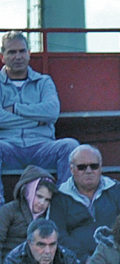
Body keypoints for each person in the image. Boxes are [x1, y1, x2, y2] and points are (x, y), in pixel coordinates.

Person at [0, 31, 79, 183]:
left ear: (29, 54)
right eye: (12, 52)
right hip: (8, 148)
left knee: (70, 146)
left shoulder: (44, 82)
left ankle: (66, 203)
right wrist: (38, 120)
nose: (18, 56)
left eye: (22, 51)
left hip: (42, 148)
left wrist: (16, 108)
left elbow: (51, 113)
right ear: (2, 57)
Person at [50, 146, 120, 253]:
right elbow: (58, 235)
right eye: (82, 167)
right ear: (71, 169)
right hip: (75, 261)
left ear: (101, 167)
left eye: (94, 166)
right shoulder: (60, 195)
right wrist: (84, 259)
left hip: (115, 256)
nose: (89, 171)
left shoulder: (117, 189)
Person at [0, 162, 52, 257]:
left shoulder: (49, 216)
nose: (42, 203)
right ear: (29, 192)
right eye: (39, 196)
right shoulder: (8, 210)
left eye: (47, 199)